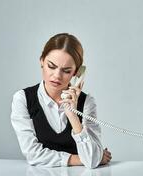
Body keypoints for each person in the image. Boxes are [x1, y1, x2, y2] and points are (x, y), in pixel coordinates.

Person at [11, 33, 111, 168]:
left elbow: (92, 161)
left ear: (77, 73)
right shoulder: (23, 99)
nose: (57, 76)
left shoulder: (87, 102)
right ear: (41, 61)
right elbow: (33, 154)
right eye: (51, 66)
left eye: (66, 70)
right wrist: (79, 159)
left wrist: (73, 116)